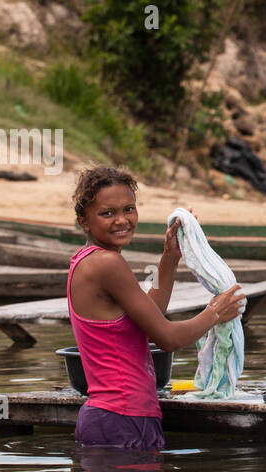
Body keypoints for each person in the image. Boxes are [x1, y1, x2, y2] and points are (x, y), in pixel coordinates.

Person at [67, 165, 244, 450]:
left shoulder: (88, 260)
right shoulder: (107, 264)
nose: (122, 220)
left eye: (129, 209)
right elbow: (167, 338)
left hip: (114, 419)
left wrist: (170, 257)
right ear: (83, 221)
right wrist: (215, 313)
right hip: (121, 420)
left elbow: (150, 315)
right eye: (107, 213)